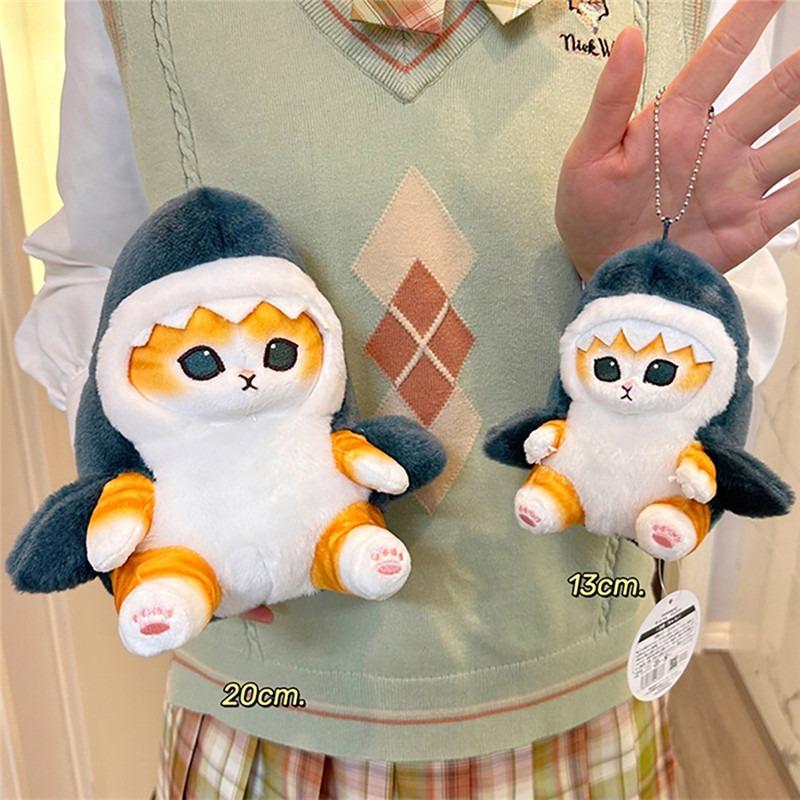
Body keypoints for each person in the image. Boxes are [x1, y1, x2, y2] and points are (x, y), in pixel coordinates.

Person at [14, 0, 799, 796]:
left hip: (583, 701)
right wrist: (180, 494)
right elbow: (97, 273)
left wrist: (649, 284)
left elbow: (738, 311)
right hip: (264, 717)